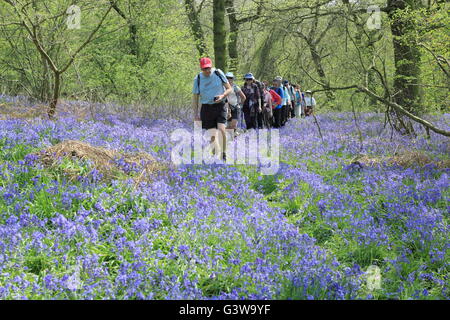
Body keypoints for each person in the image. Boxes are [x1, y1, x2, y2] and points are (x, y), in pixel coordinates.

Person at [192, 57, 233, 161]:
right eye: (204, 69)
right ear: (201, 69)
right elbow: (195, 97)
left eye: (208, 68)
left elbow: (229, 89)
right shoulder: (198, 79)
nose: (207, 71)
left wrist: (222, 96)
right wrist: (196, 115)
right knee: (212, 136)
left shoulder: (218, 73)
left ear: (211, 66)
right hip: (206, 108)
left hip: (220, 105)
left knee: (221, 129)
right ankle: (216, 157)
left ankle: (223, 153)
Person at [225, 72, 246, 137]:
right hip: (226, 107)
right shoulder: (222, 87)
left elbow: (243, 97)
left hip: (235, 107)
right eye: (227, 78)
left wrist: (240, 104)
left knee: (233, 125)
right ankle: (233, 136)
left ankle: (234, 135)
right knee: (228, 126)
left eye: (230, 78)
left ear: (233, 79)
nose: (229, 79)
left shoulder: (235, 87)